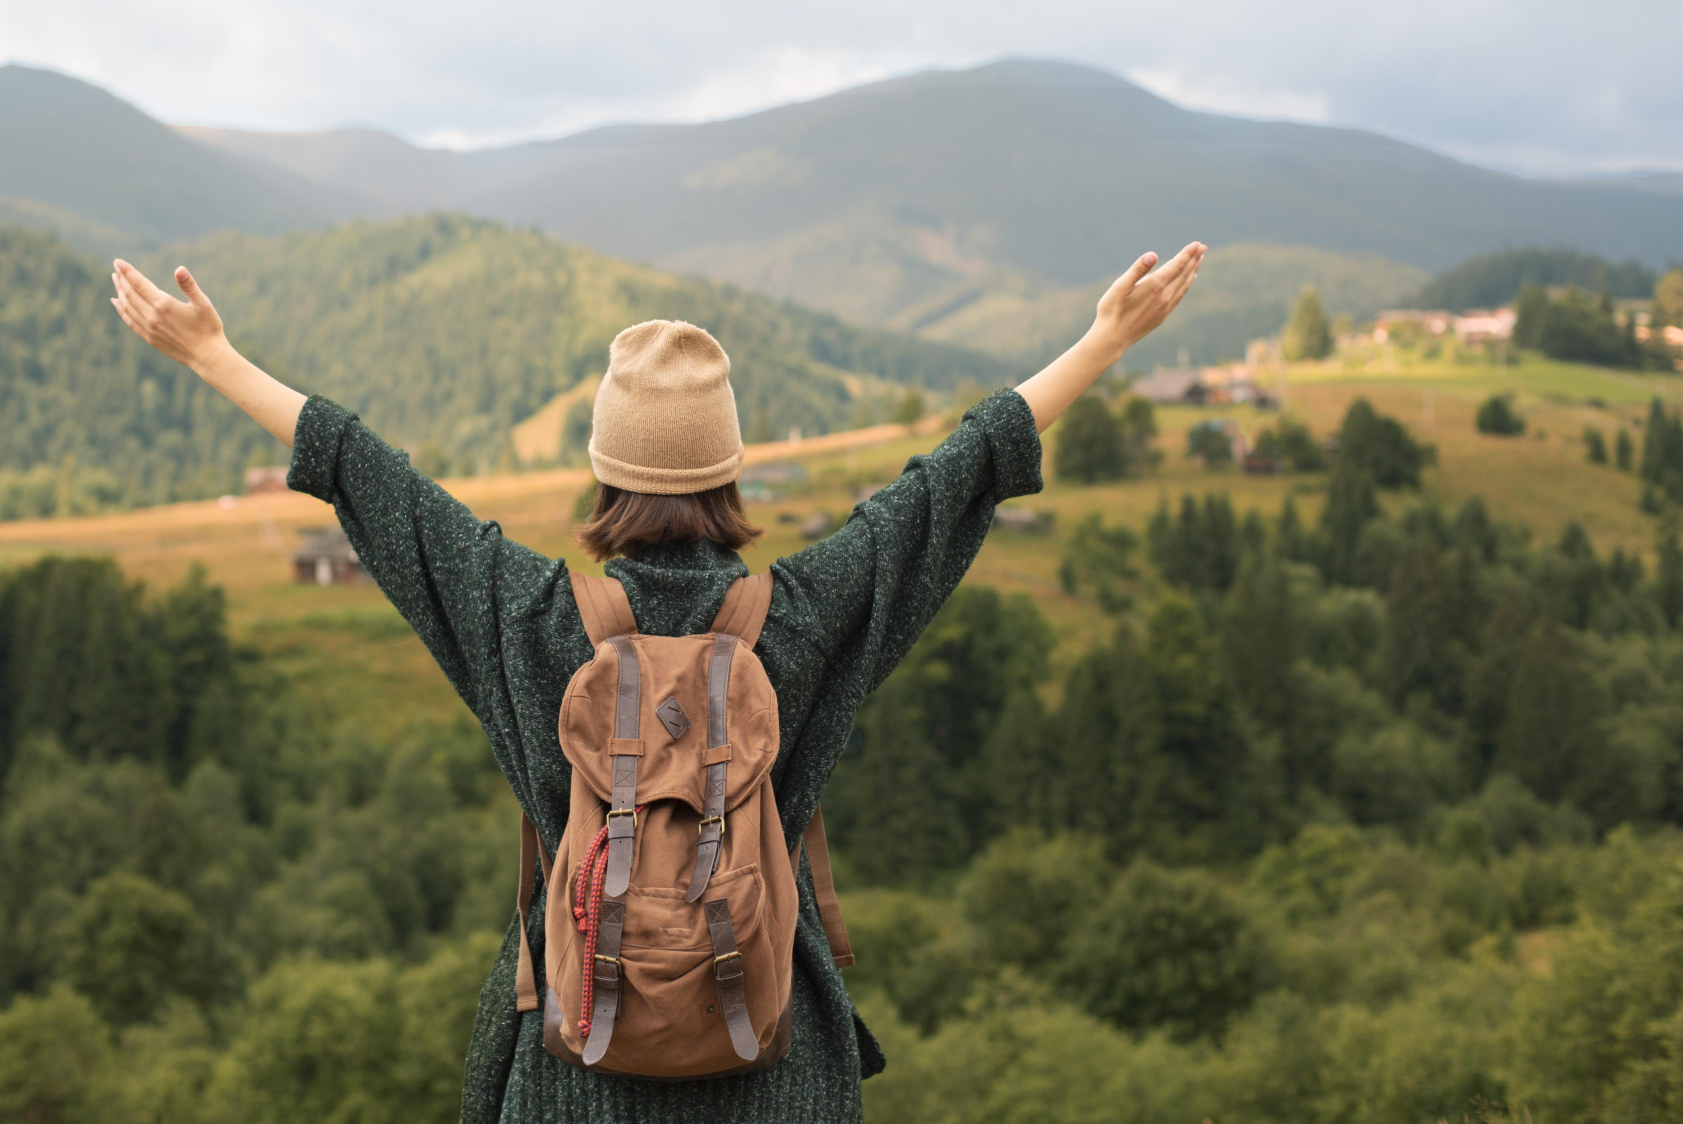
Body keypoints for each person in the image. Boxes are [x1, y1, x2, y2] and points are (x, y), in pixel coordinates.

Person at [109, 240, 1205, 1123]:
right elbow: (953, 478)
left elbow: (369, 479)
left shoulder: (527, 616)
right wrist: (1104, 341)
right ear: (727, 469)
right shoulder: (809, 612)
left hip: (573, 1061)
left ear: (602, 470)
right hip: (775, 1060)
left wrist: (211, 355)